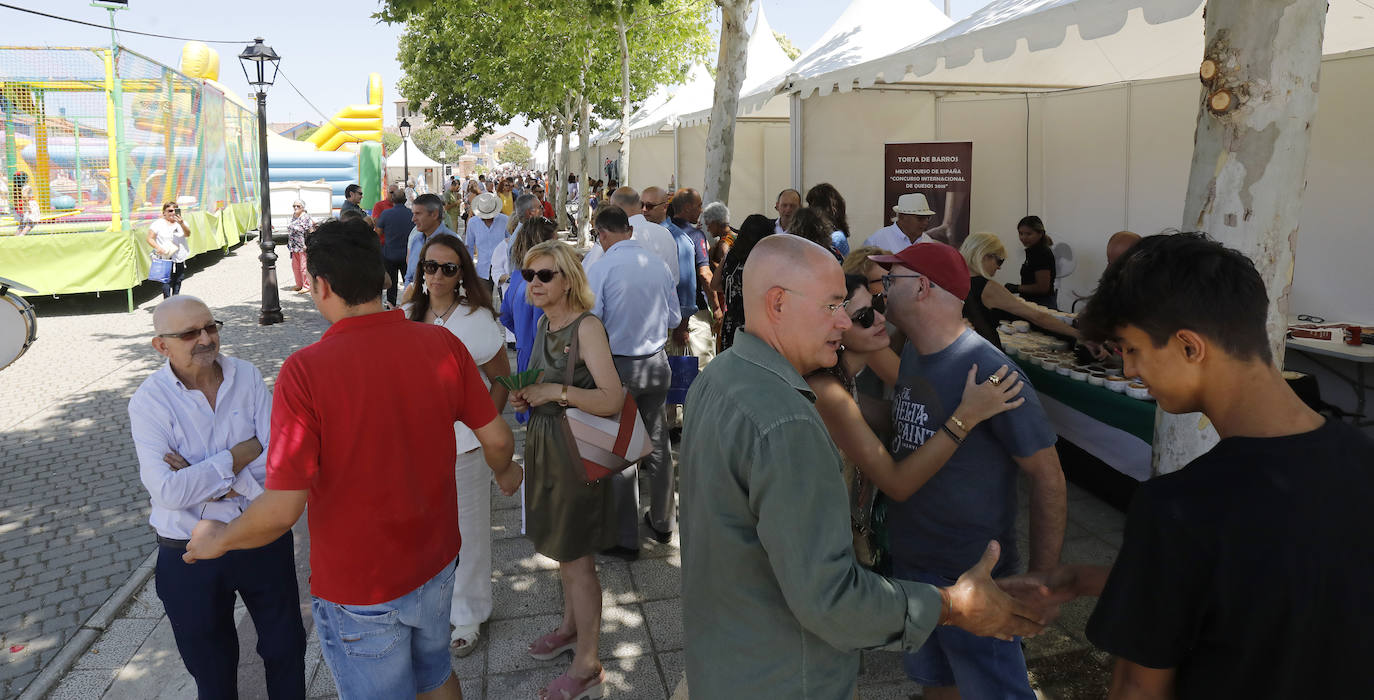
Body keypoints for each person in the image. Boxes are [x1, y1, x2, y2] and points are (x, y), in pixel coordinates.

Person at [998, 232, 1374, 699]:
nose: (1131, 370)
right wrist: (1082, 579)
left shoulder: (1180, 507)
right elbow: (1272, 585)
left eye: (1132, 349)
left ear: (1190, 347)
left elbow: (1138, 689)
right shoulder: (1359, 457)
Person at [681, 234, 1049, 698]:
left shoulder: (718, 376)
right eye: (833, 306)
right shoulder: (787, 421)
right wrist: (952, 605)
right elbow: (833, 601)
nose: (843, 322)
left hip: (729, 659)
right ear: (778, 303)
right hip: (786, 675)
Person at [183, 218, 523, 700]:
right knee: (435, 672)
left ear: (320, 286)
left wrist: (220, 538)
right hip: (437, 556)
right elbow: (497, 436)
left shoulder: (304, 372)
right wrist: (505, 469)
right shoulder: (440, 343)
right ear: (383, 279)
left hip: (360, 584)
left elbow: (282, 510)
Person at [870, 241, 1066, 699]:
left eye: (889, 280)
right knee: (937, 685)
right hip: (917, 572)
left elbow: (1049, 477)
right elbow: (906, 421)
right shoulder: (916, 351)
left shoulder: (991, 372)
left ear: (921, 287)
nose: (881, 291)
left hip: (976, 580)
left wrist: (1042, 579)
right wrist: (834, 401)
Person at [129, 296, 306, 699]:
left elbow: (276, 465)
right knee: (212, 670)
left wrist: (204, 471)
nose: (206, 338)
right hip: (187, 549)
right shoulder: (149, 402)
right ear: (162, 345)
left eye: (211, 326)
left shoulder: (246, 376)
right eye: (190, 333)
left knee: (287, 648)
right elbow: (168, 492)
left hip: (259, 534)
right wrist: (238, 456)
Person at [807, 274, 1027, 566]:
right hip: (820, 548)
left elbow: (879, 418)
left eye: (875, 304)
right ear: (838, 328)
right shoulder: (828, 390)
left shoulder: (845, 382)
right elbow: (898, 485)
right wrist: (966, 415)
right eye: (862, 316)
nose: (878, 318)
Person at [510, 240, 626, 700]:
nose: (533, 284)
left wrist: (556, 392)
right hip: (547, 448)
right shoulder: (545, 322)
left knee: (578, 560)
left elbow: (611, 398)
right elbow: (546, 383)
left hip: (576, 453)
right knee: (562, 550)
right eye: (528, 275)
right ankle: (569, 628)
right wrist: (528, 394)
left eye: (544, 276)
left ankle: (588, 664)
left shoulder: (586, 326)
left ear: (567, 280)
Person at [405, 233, 511, 658]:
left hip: (465, 446)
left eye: (449, 268)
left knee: (468, 532)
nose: (438, 275)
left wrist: (488, 426)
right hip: (414, 447)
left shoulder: (476, 319)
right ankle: (430, 604)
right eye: (430, 266)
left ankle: (469, 614)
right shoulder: (407, 315)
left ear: (461, 273)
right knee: (422, 528)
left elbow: (501, 378)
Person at [584, 206, 681, 555]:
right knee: (657, 442)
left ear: (603, 234)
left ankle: (625, 538)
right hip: (656, 362)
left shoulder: (602, 267)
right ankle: (664, 521)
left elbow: (592, 321)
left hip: (619, 366)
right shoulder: (658, 264)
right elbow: (673, 317)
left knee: (621, 448)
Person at [959, 232, 1082, 351]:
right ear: (985, 256)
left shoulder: (954, 281)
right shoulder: (987, 288)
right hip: (986, 352)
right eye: (999, 260)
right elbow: (1038, 317)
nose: (999, 267)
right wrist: (1078, 334)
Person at [581, 188, 678, 280]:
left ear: (613, 208)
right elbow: (674, 279)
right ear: (640, 205)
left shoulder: (612, 235)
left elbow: (587, 274)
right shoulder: (665, 234)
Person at [501, 217, 556, 377]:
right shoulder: (545, 282)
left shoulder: (518, 275)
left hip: (524, 353)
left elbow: (505, 316)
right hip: (546, 360)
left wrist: (521, 332)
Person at [714, 214, 775, 350]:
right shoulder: (763, 260)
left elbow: (715, 284)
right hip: (754, 327)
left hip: (730, 325)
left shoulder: (731, 257)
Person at [402, 194, 459, 297]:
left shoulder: (453, 242)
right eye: (413, 214)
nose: (413, 219)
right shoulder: (416, 240)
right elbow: (410, 277)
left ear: (434, 214)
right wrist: (407, 303)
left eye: (418, 214)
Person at [1009, 215, 1058, 309]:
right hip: (1031, 302)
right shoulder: (1032, 251)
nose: (1023, 238)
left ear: (1040, 234)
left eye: (1028, 234)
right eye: (1020, 233)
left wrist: (1016, 288)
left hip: (1042, 304)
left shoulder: (1041, 253)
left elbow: (1043, 287)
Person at [467, 192, 509, 295]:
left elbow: (511, 243)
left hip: (503, 268)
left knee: (505, 299)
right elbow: (469, 247)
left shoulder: (505, 220)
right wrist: (468, 269)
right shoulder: (472, 223)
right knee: (485, 302)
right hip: (483, 269)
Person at [147, 201, 191, 298]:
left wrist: (182, 223)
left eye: (175, 210)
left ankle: (175, 298)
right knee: (166, 280)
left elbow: (188, 234)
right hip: (165, 256)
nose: (172, 213)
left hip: (179, 255)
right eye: (170, 210)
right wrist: (158, 247)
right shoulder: (157, 224)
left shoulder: (182, 223)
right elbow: (150, 238)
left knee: (179, 279)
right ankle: (167, 300)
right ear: (164, 213)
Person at [377, 189, 413, 306]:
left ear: (392, 200)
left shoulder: (386, 214)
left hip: (389, 253)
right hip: (407, 254)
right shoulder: (411, 214)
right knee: (408, 281)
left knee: (391, 284)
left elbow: (378, 232)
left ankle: (390, 305)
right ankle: (409, 305)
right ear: (405, 200)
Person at [868, 193, 940, 252]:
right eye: (920, 218)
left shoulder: (927, 241)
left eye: (928, 218)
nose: (925, 222)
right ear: (902, 217)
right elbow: (862, 267)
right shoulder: (877, 240)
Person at [805, 182, 852, 256]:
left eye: (812, 205)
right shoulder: (816, 234)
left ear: (826, 209)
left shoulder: (836, 238)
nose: (809, 209)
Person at [286, 200, 313, 293]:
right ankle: (299, 284)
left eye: (298, 206)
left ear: (303, 207)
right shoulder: (294, 216)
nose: (295, 208)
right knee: (295, 266)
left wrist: (308, 244)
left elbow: (310, 231)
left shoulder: (305, 217)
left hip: (303, 246)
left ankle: (307, 285)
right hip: (294, 246)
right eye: (294, 206)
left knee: (304, 267)